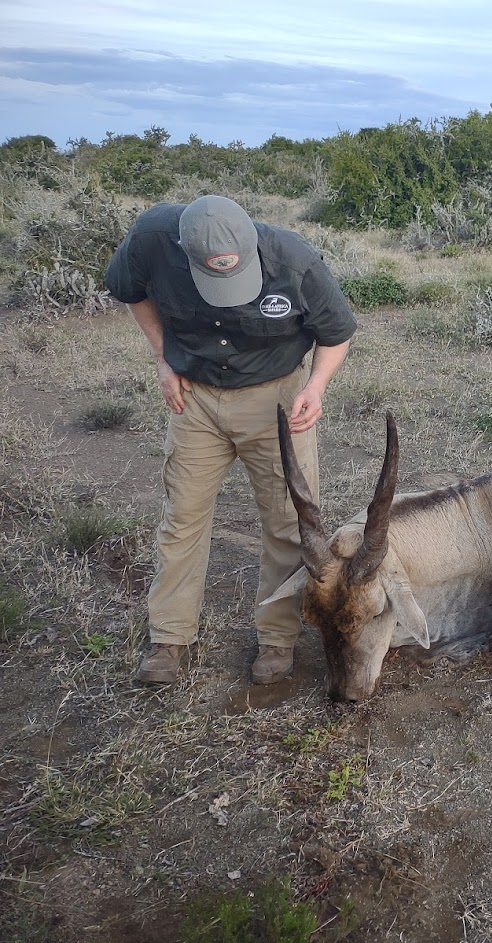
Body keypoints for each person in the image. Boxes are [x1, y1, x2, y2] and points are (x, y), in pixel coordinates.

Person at [105, 195, 357, 686]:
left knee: (289, 521)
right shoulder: (153, 237)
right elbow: (131, 290)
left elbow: (337, 331)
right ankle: (170, 637)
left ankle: (278, 639)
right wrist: (162, 358)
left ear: (252, 244)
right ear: (184, 250)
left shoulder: (293, 257)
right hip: (194, 398)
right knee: (182, 517)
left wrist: (315, 387)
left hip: (276, 401)